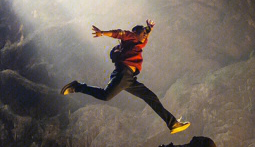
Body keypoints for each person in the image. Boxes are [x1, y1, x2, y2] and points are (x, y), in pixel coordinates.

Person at [60, 19, 190, 134]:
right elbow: (119, 33)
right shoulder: (131, 36)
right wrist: (103, 33)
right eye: (143, 33)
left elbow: (145, 35)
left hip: (130, 79)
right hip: (124, 74)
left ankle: (172, 123)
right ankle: (78, 86)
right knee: (105, 96)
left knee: (150, 97)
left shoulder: (139, 43)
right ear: (136, 33)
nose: (145, 36)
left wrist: (149, 28)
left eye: (145, 34)